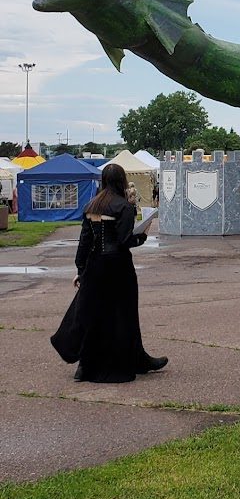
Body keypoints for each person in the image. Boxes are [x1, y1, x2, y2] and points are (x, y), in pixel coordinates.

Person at [50, 164, 168, 383]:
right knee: (124, 316)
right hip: (118, 267)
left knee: (94, 316)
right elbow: (125, 241)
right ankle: (134, 361)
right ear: (121, 180)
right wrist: (143, 235)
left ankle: (86, 366)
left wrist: (80, 270)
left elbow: (85, 242)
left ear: (104, 180)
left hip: (95, 267)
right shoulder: (123, 206)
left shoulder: (91, 205)